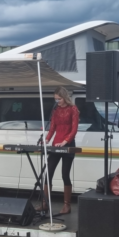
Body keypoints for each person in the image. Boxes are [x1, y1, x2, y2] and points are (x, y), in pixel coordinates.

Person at [43, 87, 79, 215]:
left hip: (68, 144)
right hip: (56, 145)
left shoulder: (73, 109)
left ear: (65, 97)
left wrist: (65, 141)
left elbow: (74, 129)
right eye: (55, 99)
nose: (57, 101)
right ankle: (45, 204)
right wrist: (47, 139)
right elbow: (52, 128)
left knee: (65, 174)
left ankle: (66, 205)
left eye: (59, 99)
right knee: (48, 173)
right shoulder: (56, 110)